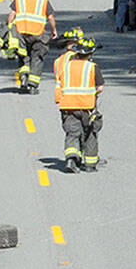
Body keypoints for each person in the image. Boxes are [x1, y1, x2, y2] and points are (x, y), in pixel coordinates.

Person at [55, 37, 103, 172]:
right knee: (90, 133)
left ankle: (71, 159)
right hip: (87, 107)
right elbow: (100, 88)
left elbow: (60, 82)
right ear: (90, 54)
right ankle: (90, 164)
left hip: (68, 106)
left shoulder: (66, 66)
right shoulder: (92, 67)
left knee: (72, 133)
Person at [7, 0, 58, 94]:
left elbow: (12, 14)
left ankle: (24, 77)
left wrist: (10, 29)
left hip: (21, 33)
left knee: (23, 56)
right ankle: (33, 86)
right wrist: (54, 31)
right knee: (37, 58)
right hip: (38, 34)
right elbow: (50, 17)